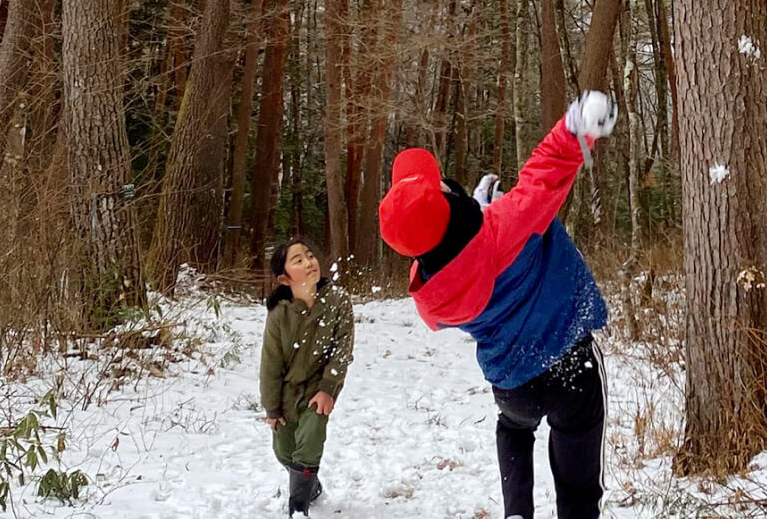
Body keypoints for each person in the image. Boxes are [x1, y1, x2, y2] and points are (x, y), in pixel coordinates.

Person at [378, 90, 618, 519]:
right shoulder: (506, 226)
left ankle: (517, 511)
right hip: (571, 364)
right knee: (578, 448)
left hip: (513, 384)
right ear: (452, 206)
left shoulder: (432, 299)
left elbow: (462, 257)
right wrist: (576, 125)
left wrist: (482, 209)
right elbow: (545, 174)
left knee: (513, 428)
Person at [259, 238, 355, 517]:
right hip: (287, 391)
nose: (309, 262)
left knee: (310, 441)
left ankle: (297, 508)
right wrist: (272, 407)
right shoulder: (279, 314)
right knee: (284, 451)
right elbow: (270, 363)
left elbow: (342, 350)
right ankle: (310, 487)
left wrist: (328, 388)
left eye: (310, 256)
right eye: (298, 260)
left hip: (319, 387)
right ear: (284, 278)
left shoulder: (337, 301)